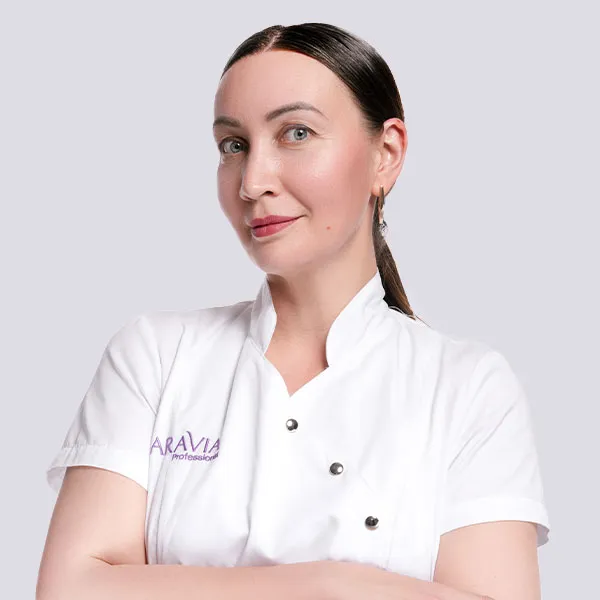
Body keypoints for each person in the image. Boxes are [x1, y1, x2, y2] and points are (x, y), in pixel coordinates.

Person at [37, 22, 550, 600]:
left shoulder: (467, 387)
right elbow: (70, 589)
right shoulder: (155, 355)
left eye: (296, 133)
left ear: (385, 155)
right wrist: (331, 584)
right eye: (234, 145)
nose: (253, 182)